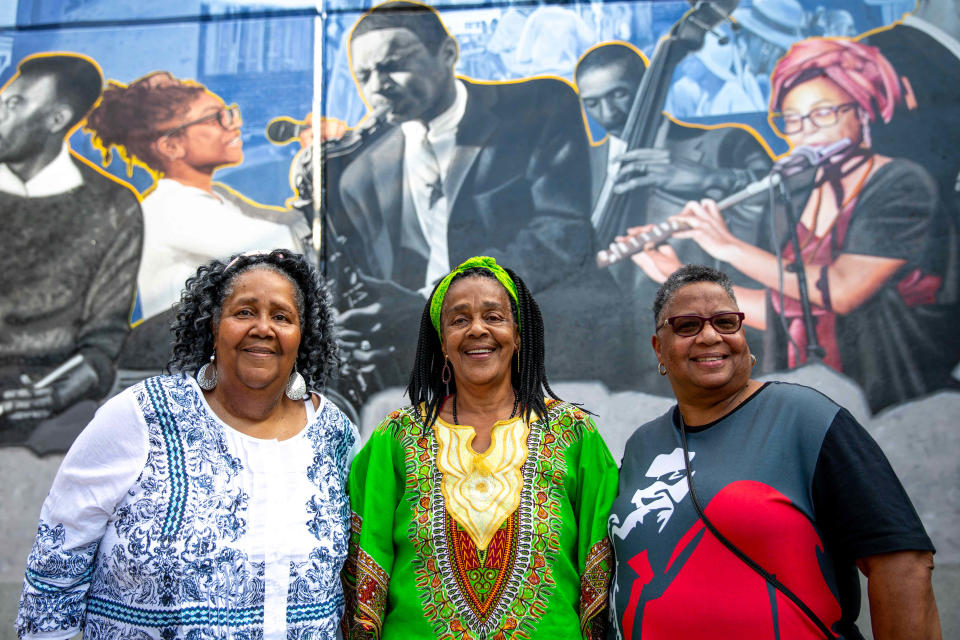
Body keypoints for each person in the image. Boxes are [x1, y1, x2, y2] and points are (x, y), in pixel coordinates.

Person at [16, 250, 358, 639]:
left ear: (302, 336)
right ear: (213, 326)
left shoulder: (335, 433)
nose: (263, 328)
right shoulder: (141, 416)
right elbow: (59, 555)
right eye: (244, 312)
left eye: (281, 316)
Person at [609, 264, 940, 639]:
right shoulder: (642, 446)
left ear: (743, 334)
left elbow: (902, 560)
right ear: (659, 348)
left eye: (725, 322)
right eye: (687, 326)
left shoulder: (807, 418)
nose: (709, 336)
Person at [627, 38, 959, 412]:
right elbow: (788, 312)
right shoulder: (803, 191)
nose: (807, 132)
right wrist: (682, 277)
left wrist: (729, 246)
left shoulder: (901, 183)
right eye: (794, 120)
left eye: (823, 114)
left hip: (893, 396)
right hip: (812, 390)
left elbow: (843, 291)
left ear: (863, 109)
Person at [330, 1, 633, 394]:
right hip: (437, 374)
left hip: (546, 357)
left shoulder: (540, 106)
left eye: (392, 65)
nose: (377, 86)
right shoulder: (360, 176)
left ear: (448, 54)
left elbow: (561, 237)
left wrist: (432, 306)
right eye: (364, 75)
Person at [342, 256, 618, 639]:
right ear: (443, 343)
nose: (477, 329)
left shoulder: (574, 434)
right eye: (459, 320)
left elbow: (600, 578)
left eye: (494, 317)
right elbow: (363, 575)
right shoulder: (396, 437)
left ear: (518, 335)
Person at [85, 71, 312, 324]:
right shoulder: (171, 209)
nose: (234, 123)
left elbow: (300, 225)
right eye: (216, 119)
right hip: (192, 360)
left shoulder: (219, 197)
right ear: (171, 146)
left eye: (229, 113)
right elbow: (293, 250)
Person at [0, 53, 143, 449]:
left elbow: (104, 337)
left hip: (52, 415)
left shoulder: (113, 206)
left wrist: (68, 386)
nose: (0, 112)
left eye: (13, 104)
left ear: (56, 119)